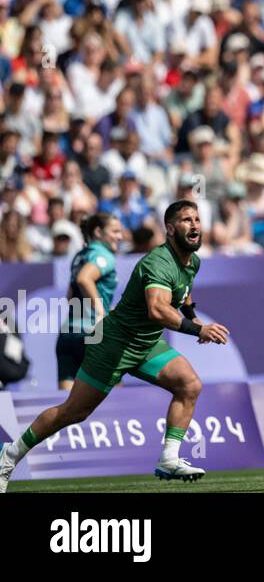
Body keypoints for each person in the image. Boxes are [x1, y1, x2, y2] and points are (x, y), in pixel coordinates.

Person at [0, 201, 230, 492]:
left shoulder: (191, 261)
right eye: (186, 220)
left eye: (197, 219)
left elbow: (182, 293)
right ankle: (9, 456)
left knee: (189, 385)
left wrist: (193, 315)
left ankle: (169, 458)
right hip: (114, 345)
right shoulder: (156, 262)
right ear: (170, 229)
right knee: (72, 412)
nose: (195, 225)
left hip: (145, 345)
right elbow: (157, 310)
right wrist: (199, 328)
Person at [55, 213, 124, 390]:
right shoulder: (104, 255)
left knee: (67, 404)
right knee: (116, 399)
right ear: (98, 232)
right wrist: (101, 311)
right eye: (115, 231)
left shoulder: (79, 256)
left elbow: (70, 296)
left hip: (68, 334)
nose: (120, 236)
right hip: (94, 333)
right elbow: (84, 279)